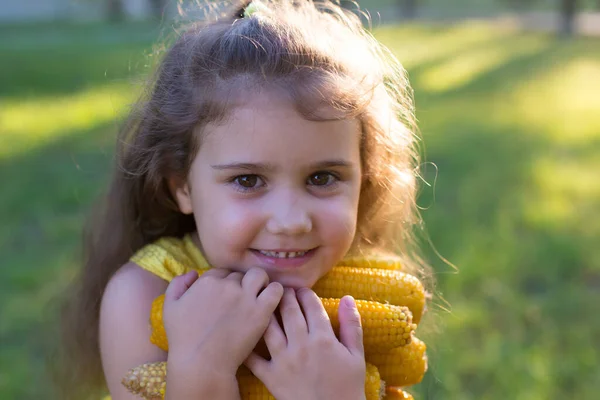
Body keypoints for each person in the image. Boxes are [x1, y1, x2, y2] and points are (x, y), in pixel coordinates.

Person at [56, 0, 432, 399]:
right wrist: (204, 371)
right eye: (248, 180)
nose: (291, 221)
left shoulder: (361, 298)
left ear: (365, 178)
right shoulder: (143, 296)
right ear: (181, 186)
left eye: (323, 178)